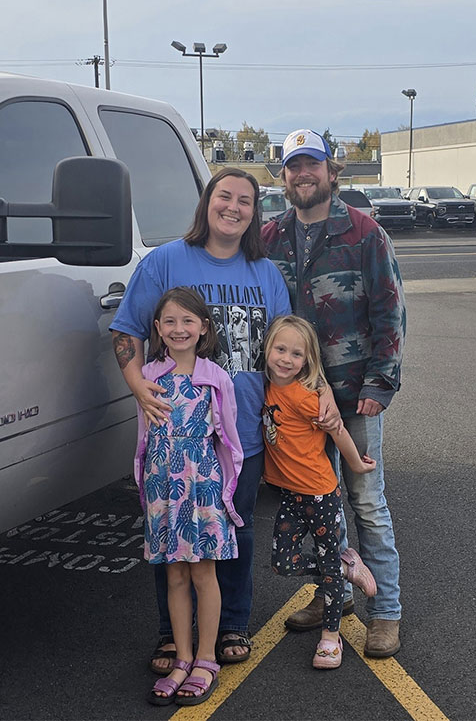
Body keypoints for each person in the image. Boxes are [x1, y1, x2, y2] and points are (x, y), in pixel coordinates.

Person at [111, 167, 337, 669]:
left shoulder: (265, 274)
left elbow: (289, 348)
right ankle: (172, 634)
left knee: (235, 530)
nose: (233, 207)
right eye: (224, 196)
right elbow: (125, 329)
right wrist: (136, 385)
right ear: (206, 203)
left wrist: (322, 395)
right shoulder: (166, 261)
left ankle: (233, 624)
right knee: (169, 530)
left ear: (256, 214)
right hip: (175, 432)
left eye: (245, 201)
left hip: (241, 435)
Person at [262, 129, 406, 658]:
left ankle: (385, 611)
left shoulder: (365, 232)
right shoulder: (271, 235)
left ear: (332, 171)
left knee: (367, 503)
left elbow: (390, 313)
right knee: (318, 503)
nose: (303, 174)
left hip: (351, 395)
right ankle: (336, 596)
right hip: (297, 401)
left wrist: (379, 383)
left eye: (312, 164)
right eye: (294, 165)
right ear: (284, 175)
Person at [139, 288, 242, 705]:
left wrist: (227, 495)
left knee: (203, 573)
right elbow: (143, 440)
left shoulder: (216, 377)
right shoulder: (147, 376)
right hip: (163, 486)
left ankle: (205, 658)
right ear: (159, 329)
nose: (178, 329)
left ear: (204, 328)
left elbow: (229, 441)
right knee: (174, 575)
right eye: (169, 321)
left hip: (201, 484)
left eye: (187, 321)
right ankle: (181, 657)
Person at [262, 315, 377, 669]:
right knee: (283, 563)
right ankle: (345, 566)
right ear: (267, 349)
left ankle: (330, 637)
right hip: (290, 496)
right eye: (280, 349)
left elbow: (337, 429)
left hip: (320, 495)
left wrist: (356, 464)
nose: (286, 359)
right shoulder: (265, 385)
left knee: (325, 570)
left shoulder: (305, 396)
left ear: (307, 361)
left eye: (296, 354)